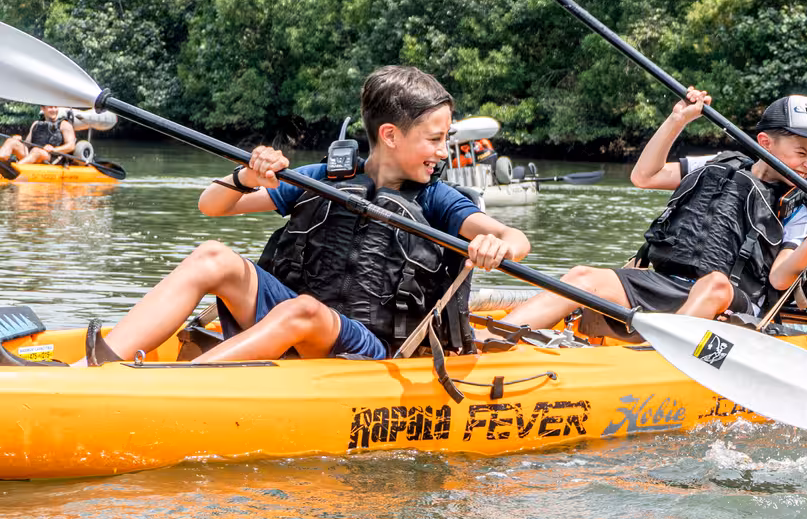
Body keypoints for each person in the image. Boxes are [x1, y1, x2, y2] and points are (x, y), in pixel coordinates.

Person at [79, 66, 529, 366]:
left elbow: (515, 240)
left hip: (370, 348)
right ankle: (95, 365)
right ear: (390, 135)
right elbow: (212, 206)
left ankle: (171, 384)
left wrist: (498, 245)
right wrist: (247, 176)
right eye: (434, 139)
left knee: (306, 311)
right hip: (294, 317)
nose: (440, 151)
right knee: (212, 257)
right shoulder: (321, 178)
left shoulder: (437, 199)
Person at [500, 91, 807, 334]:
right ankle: (496, 343)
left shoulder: (801, 205)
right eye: (801, 152)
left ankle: (655, 362)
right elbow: (645, 176)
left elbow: (781, 278)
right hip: (670, 285)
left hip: (734, 304)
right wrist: (677, 120)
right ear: (764, 143)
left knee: (714, 284)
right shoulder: (721, 165)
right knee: (581, 276)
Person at [0, 106, 78, 166]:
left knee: (36, 151)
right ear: (43, 109)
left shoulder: (64, 124)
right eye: (50, 107)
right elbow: (27, 144)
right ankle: (2, 162)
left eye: (56, 107)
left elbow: (71, 146)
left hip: (51, 158)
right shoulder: (36, 124)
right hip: (32, 155)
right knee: (11, 141)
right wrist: (19, 140)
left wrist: (54, 149)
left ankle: (14, 169)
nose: (54, 110)